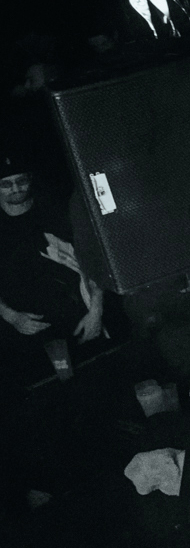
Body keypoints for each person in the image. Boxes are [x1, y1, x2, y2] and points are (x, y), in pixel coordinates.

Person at [0, 158, 106, 383]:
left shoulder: (54, 211)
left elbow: (92, 259)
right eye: (6, 184)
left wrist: (96, 310)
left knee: (96, 379)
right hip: (25, 331)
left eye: (21, 181)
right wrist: (12, 317)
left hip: (78, 319)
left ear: (30, 179)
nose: (16, 188)